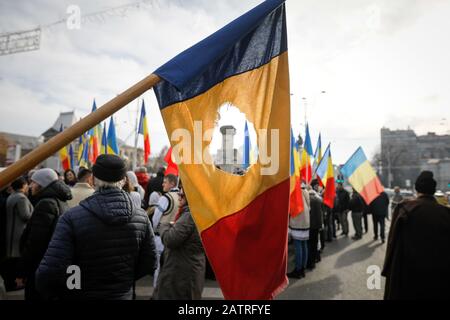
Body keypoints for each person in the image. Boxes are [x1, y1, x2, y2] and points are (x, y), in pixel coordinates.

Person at [35, 154, 157, 300]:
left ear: (92, 180)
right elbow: (150, 262)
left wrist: (74, 285)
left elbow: (49, 273)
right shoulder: (142, 217)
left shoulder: (71, 218)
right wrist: (122, 279)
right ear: (124, 180)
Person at [382, 171, 450, 299]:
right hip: (439, 276)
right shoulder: (446, 213)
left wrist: (388, 270)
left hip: (409, 274)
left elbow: (392, 243)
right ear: (433, 191)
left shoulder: (404, 209)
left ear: (416, 189)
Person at [16, 168, 72, 300]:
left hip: (39, 265)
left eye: (33, 182)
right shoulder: (59, 200)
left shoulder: (46, 204)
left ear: (43, 184)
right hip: (51, 264)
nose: (30, 186)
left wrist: (22, 271)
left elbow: (35, 243)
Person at [152, 187, 205, 299]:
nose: (179, 197)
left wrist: (164, 226)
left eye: (182, 195)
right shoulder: (194, 212)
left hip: (181, 275)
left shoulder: (189, 215)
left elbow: (170, 240)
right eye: (179, 194)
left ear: (190, 197)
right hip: (186, 271)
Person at [2, 177, 33, 291]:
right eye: (26, 185)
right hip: (19, 232)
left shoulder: (11, 196)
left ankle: (10, 283)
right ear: (23, 185)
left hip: (11, 232)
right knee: (16, 260)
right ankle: (14, 283)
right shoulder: (21, 198)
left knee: (11, 259)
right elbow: (25, 216)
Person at [151, 174, 179, 288]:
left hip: (162, 238)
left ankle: (157, 292)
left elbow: (155, 218)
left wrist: (153, 232)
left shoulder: (165, 198)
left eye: (165, 182)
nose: (162, 184)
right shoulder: (181, 196)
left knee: (159, 268)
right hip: (176, 238)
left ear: (172, 183)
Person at [287, 186, 310, 279]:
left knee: (298, 246)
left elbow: (289, 209)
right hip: (306, 221)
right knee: (304, 245)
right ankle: (303, 268)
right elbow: (309, 206)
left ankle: (298, 269)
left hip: (297, 221)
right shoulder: (305, 191)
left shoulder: (293, 190)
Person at [306, 180, 323, 270]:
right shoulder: (318, 199)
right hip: (317, 225)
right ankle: (316, 258)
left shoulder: (309, 200)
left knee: (310, 244)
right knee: (315, 243)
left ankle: (311, 263)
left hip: (311, 225)